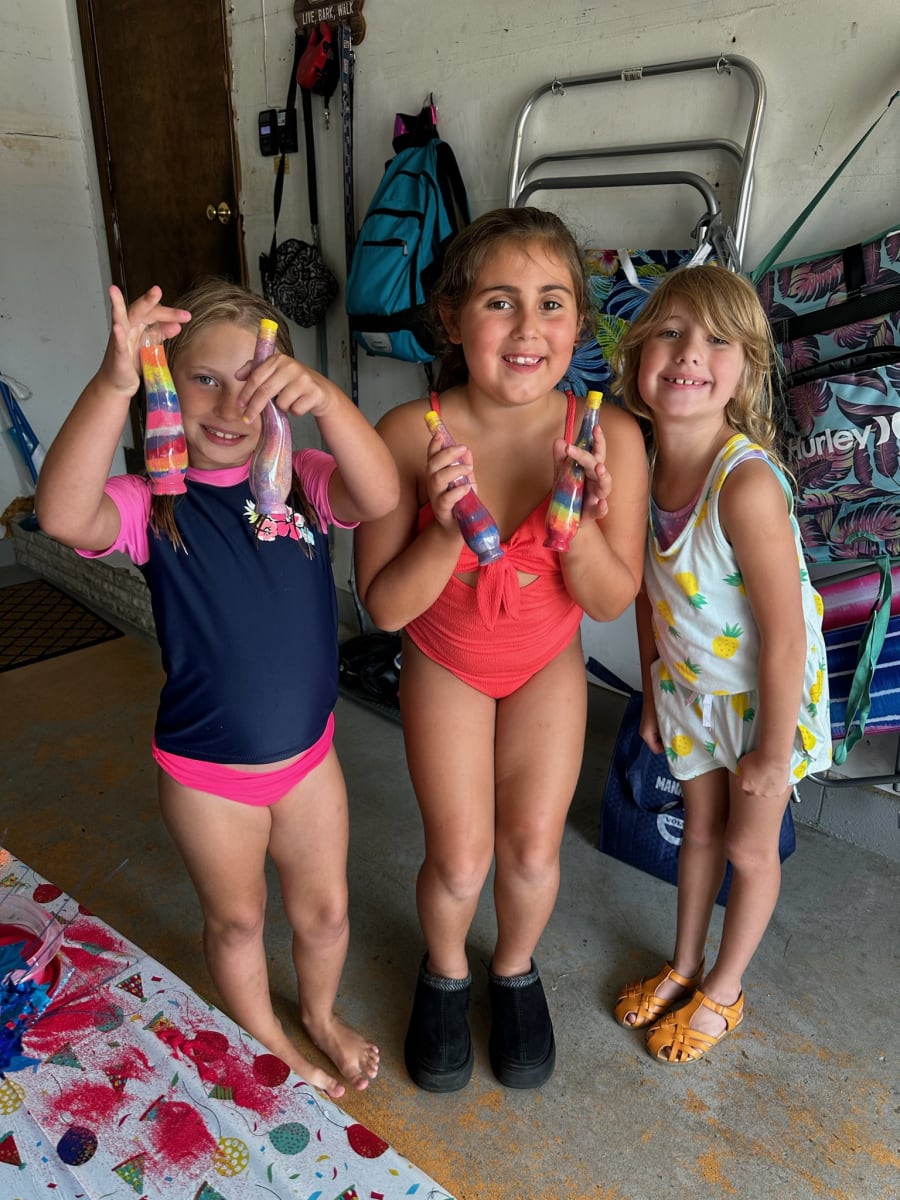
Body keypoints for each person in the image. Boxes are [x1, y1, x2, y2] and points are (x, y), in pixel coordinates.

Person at [35, 279, 399, 1099]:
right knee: (237, 920)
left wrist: (328, 402)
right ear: (166, 381)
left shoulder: (304, 480)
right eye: (205, 378)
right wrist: (113, 383)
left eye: (255, 380)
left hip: (309, 762)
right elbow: (61, 514)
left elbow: (380, 493)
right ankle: (267, 1035)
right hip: (207, 776)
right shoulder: (151, 503)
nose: (232, 403)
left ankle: (320, 1013)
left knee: (326, 913)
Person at [354, 207, 649, 1091]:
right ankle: (446, 969)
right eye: (499, 302)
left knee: (530, 850)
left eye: (552, 303)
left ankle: (514, 967)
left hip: (545, 663)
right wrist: (444, 532)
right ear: (452, 318)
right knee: (459, 858)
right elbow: (383, 609)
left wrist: (578, 526)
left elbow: (609, 598)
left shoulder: (608, 436)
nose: (528, 328)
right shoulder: (407, 434)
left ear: (579, 323)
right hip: (444, 662)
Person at [609, 264, 831, 1063]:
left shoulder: (744, 485)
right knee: (697, 831)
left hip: (762, 702)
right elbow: (646, 594)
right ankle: (685, 964)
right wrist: (651, 694)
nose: (689, 353)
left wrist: (772, 752)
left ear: (746, 371)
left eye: (717, 341)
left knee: (747, 848)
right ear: (639, 355)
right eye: (670, 332)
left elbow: (786, 635)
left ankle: (726, 991)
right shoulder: (638, 470)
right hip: (688, 691)